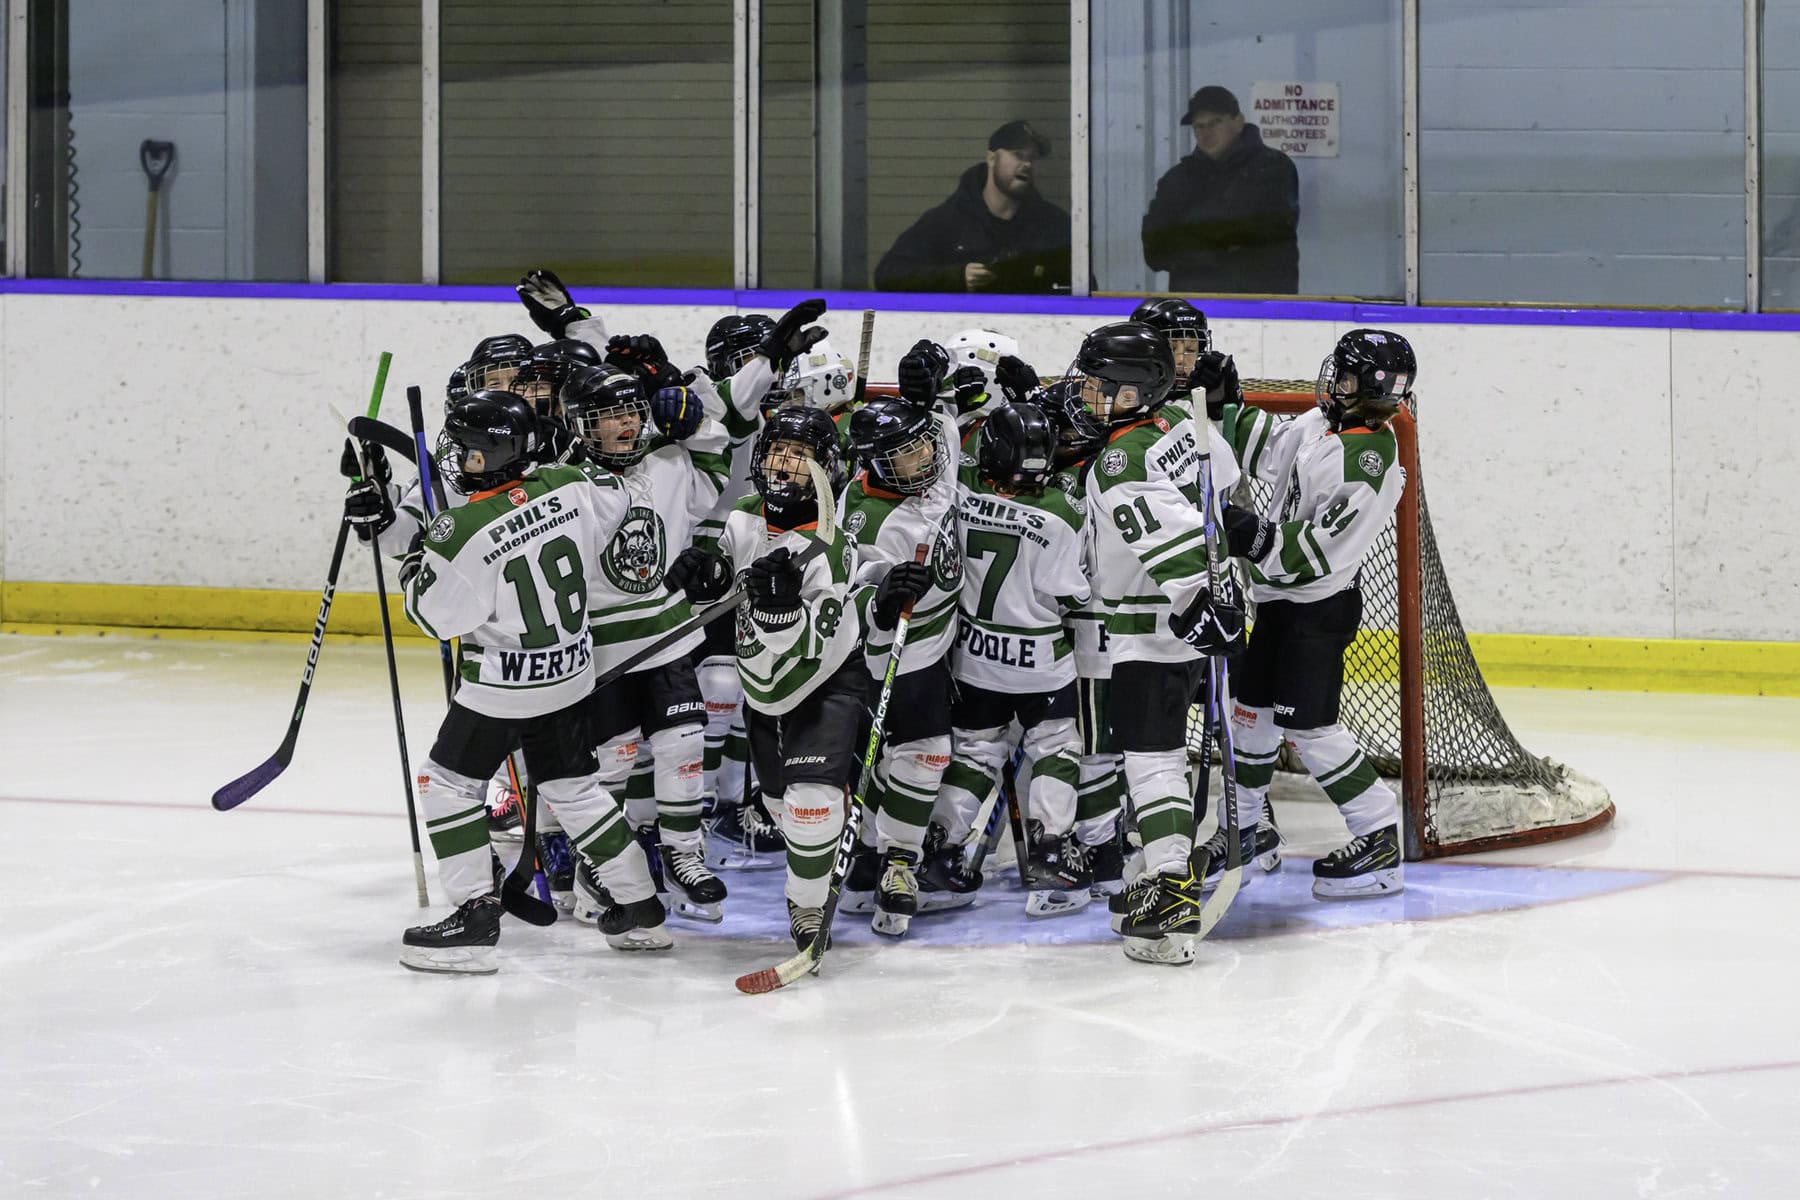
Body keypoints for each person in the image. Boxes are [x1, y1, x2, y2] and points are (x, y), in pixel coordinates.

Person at [395, 390, 667, 973]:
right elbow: (616, 499)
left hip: (503, 685)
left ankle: (472, 918)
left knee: (447, 783)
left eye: (465, 450)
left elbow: (434, 618)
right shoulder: (569, 484)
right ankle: (639, 905)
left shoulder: (461, 529)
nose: (457, 458)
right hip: (570, 676)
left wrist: (419, 561)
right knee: (575, 787)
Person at [1066, 321, 1248, 966]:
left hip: (1155, 626)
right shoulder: (1181, 419)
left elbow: (1168, 541)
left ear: (1129, 391)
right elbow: (1221, 489)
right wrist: (1219, 600)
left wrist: (1199, 599)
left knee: (1152, 758)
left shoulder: (1121, 462)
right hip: (1201, 619)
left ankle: (1169, 884)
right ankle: (1158, 868)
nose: (1084, 394)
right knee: (1163, 756)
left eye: (1096, 385)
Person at [1222, 329, 1414, 900]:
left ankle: (1378, 836)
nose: (1334, 381)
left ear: (1364, 390)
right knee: (1250, 714)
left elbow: (1313, 553)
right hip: (1279, 607)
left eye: (1345, 376)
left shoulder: (1367, 461)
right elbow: (1273, 447)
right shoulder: (1323, 424)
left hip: (1317, 609)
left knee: (1309, 730)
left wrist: (1252, 538)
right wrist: (1225, 405)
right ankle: (1251, 827)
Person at [665, 406, 865, 953]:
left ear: (826, 469)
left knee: (810, 804)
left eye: (799, 456)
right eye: (777, 451)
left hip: (824, 683)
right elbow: (729, 582)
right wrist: (706, 577)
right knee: (781, 807)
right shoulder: (746, 514)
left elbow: (811, 645)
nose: (784, 464)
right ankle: (814, 867)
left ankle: (806, 908)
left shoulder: (830, 544)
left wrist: (780, 613)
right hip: (764, 685)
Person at [935, 400, 1092, 918]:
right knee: (1057, 747)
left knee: (976, 752)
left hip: (974, 659)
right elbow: (1074, 594)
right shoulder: (1062, 512)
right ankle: (1050, 854)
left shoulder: (960, 495)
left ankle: (940, 850)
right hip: (1041, 661)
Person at [837, 397, 964, 937]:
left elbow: (947, 434)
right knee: (915, 755)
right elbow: (848, 596)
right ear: (879, 464)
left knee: (911, 757)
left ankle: (880, 856)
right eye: (909, 452)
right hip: (894, 654)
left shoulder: (930, 472)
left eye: (923, 443)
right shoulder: (868, 518)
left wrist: (926, 395)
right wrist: (883, 601)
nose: (926, 455)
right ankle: (894, 862)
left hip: (943, 641)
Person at [874, 120, 1072, 294]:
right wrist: (957, 278)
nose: (1027, 164)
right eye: (1018, 155)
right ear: (992, 159)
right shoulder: (948, 221)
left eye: (1033, 158)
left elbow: (1081, 283)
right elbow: (889, 274)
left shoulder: (1052, 224)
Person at [1141, 86, 1300, 295]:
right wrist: (1220, 244)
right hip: (1194, 309)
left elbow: (1264, 231)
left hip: (1262, 311)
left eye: (1215, 122)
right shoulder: (1176, 179)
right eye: (1199, 126)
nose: (1206, 133)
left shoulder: (1273, 167)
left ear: (1238, 121)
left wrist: (1188, 238)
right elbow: (1155, 250)